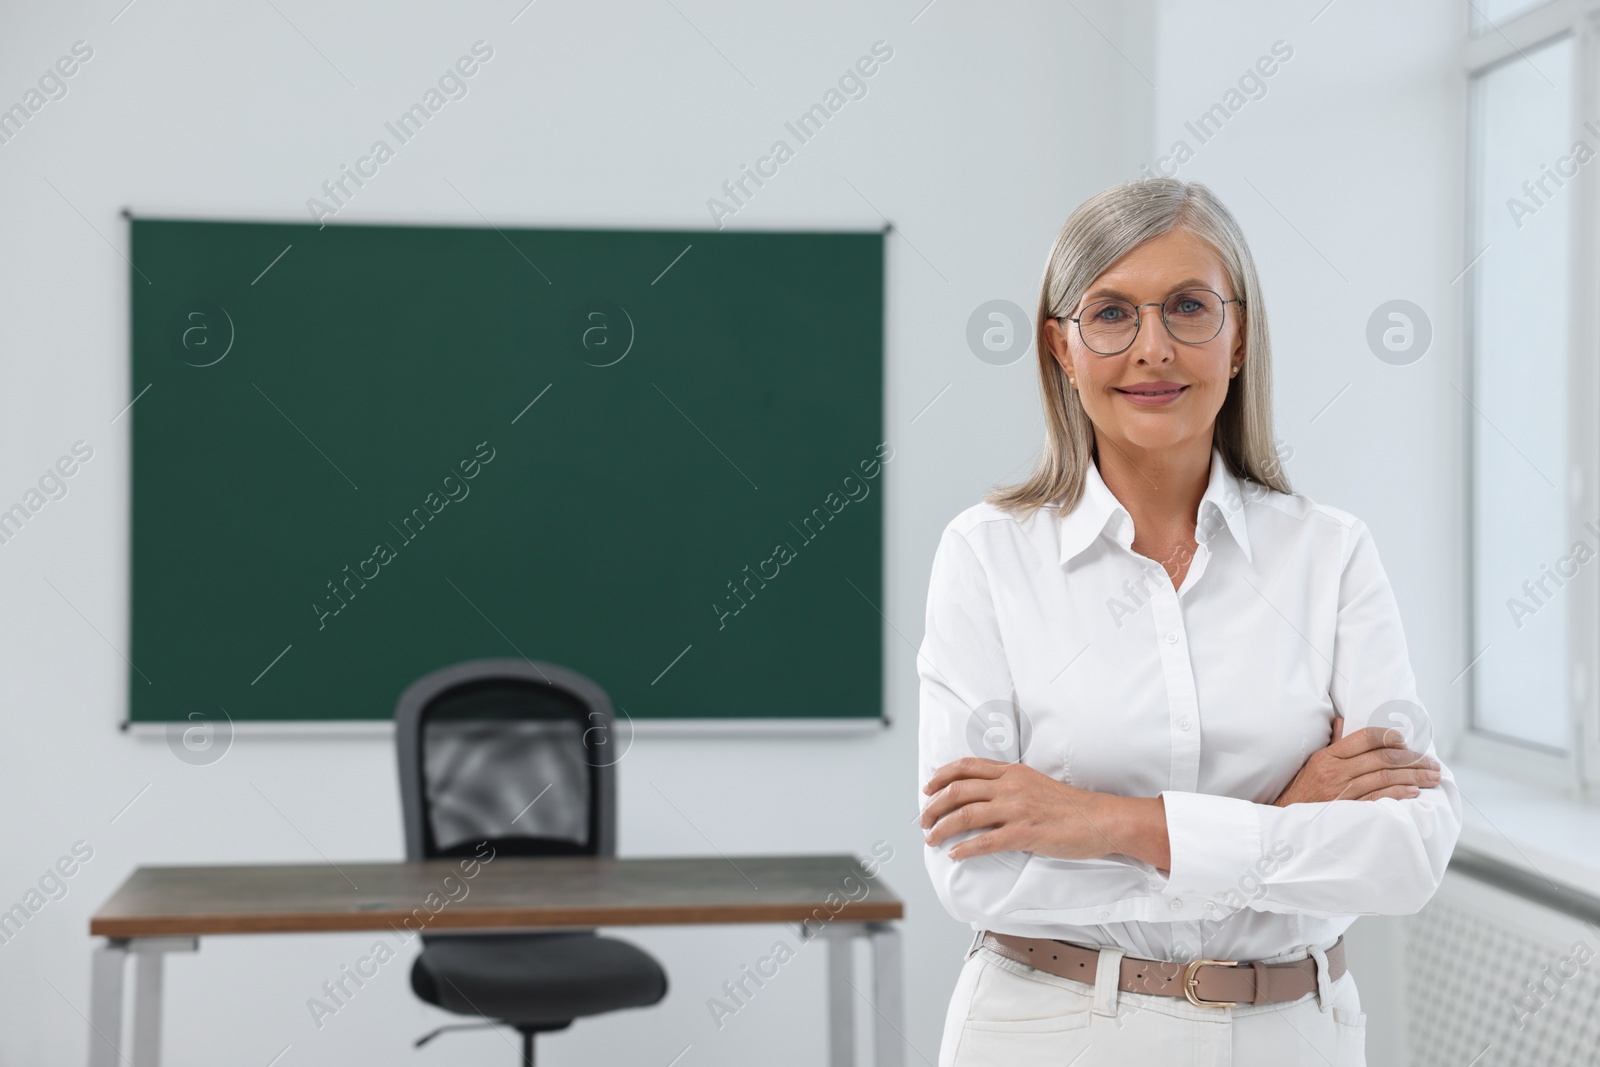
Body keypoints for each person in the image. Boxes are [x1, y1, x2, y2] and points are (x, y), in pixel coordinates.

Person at [917, 177, 1460, 1066]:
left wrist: (1101, 822)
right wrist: (1285, 817)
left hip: (1293, 1032)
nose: (1153, 348)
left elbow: (1406, 852)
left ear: (1239, 336)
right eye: (1111, 314)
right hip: (1049, 1031)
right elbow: (979, 870)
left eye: (1188, 307)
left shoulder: (1330, 555)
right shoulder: (986, 556)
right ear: (1061, 346)